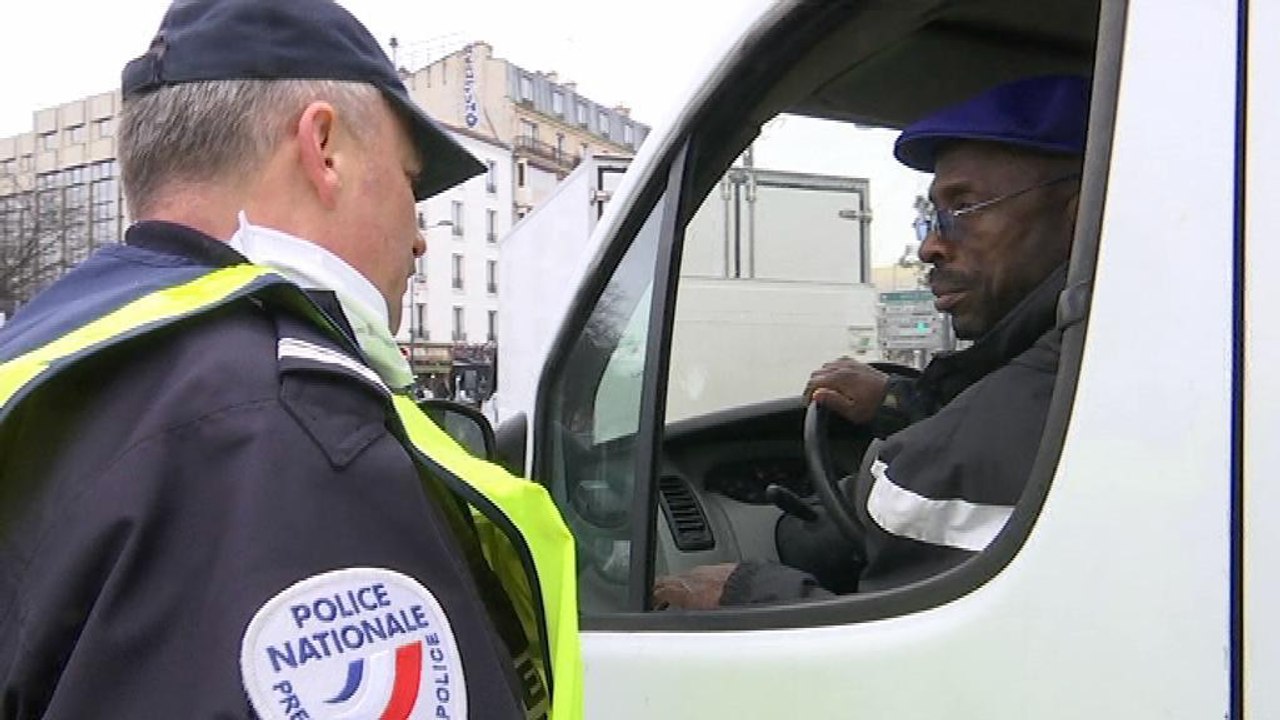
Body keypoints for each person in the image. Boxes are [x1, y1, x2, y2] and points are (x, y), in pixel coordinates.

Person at [0, 1, 582, 718]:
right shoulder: (286, 428)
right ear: (324, 148)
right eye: (409, 181)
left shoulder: (44, 361)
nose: (422, 240)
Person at [654, 74, 1088, 609]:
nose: (931, 245)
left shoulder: (953, 465)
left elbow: (902, 659)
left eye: (965, 208)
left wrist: (747, 595)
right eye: (932, 215)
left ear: (1082, 218)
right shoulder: (1082, 370)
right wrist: (900, 401)